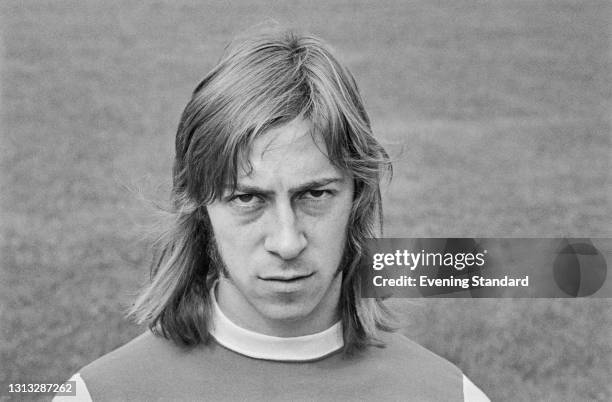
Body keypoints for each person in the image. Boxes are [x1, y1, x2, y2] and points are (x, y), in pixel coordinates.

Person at [56, 28, 489, 401]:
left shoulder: (449, 395)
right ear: (200, 208)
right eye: (248, 199)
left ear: (357, 198)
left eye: (315, 194)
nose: (287, 242)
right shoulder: (99, 394)